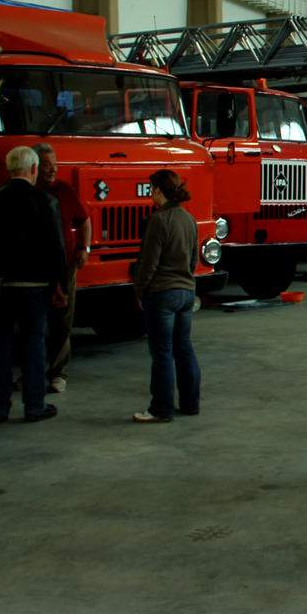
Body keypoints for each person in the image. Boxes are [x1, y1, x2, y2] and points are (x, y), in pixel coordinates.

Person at [0, 145, 66, 424]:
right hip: (34, 284)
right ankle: (34, 405)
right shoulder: (45, 201)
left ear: (9, 168)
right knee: (34, 343)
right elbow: (56, 247)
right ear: (34, 169)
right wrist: (60, 284)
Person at [131, 169, 202, 423]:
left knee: (161, 352)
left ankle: (161, 409)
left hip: (161, 293)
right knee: (183, 348)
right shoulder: (189, 219)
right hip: (186, 292)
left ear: (158, 190)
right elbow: (194, 260)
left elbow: (148, 262)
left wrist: (140, 292)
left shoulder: (157, 220)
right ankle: (190, 404)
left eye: (152, 189)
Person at [34, 143, 89, 394]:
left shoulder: (65, 190)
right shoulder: (26, 192)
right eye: (47, 165)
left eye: (54, 164)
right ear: (34, 166)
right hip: (33, 269)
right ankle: (31, 373)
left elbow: (84, 220)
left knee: (62, 322)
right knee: (33, 322)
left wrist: (83, 247)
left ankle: (57, 373)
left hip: (65, 266)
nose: (53, 170)